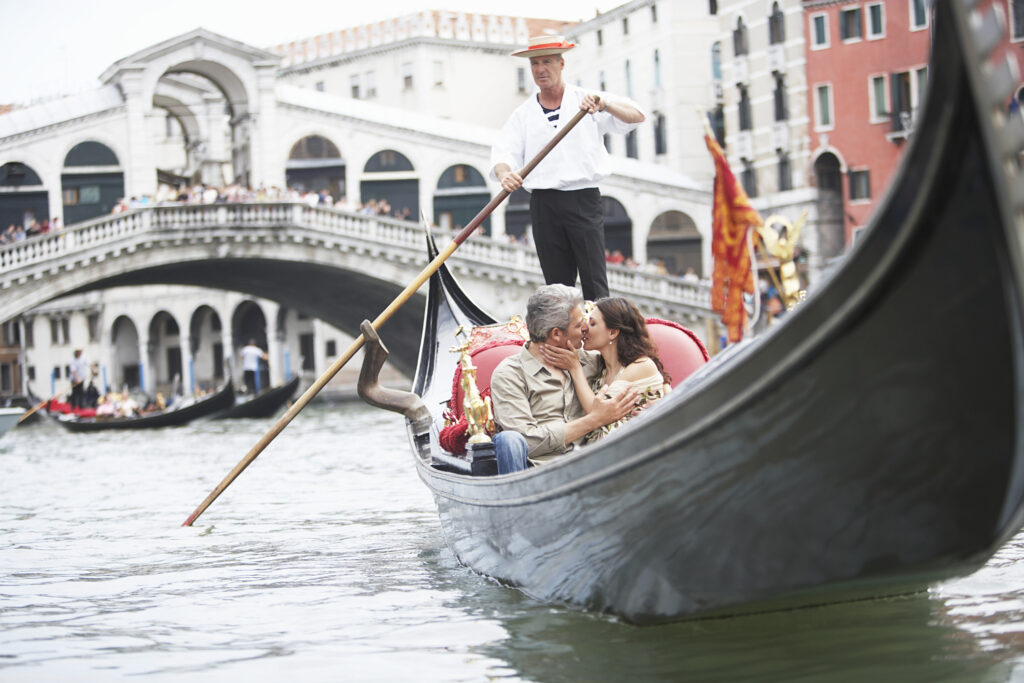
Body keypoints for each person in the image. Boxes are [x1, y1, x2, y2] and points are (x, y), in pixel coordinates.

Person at [491, 35, 646, 302]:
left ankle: (600, 338)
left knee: (594, 282)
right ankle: (565, 340)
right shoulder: (523, 114)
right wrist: (506, 175)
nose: (541, 69)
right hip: (544, 203)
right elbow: (503, 153)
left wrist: (604, 104)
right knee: (557, 288)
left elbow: (637, 116)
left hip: (583, 198)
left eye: (547, 62)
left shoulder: (587, 100)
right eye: (535, 64)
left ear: (561, 64)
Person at [489, 284, 640, 474]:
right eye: (578, 325)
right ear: (556, 334)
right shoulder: (510, 374)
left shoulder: (591, 361)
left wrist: (661, 395)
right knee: (509, 440)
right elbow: (527, 441)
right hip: (535, 473)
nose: (585, 328)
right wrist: (594, 420)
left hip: (593, 467)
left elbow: (638, 362)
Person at [540, 297, 670, 443]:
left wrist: (574, 368)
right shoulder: (601, 367)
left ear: (613, 333)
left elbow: (597, 413)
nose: (585, 328)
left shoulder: (641, 366)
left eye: (593, 323)